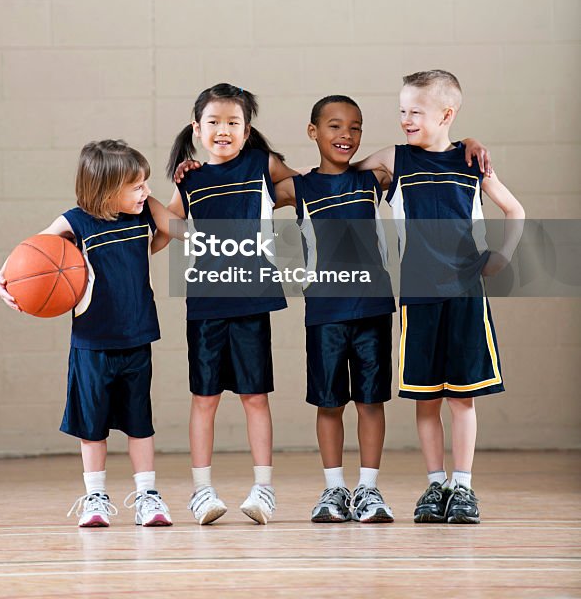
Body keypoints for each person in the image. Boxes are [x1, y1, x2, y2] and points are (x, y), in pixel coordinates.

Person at [356, 70, 525, 524]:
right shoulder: (395, 159)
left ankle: (463, 487)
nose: (406, 119)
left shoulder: (471, 162)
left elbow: (515, 209)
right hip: (418, 296)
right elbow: (346, 176)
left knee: (462, 398)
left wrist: (502, 257)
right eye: (402, 111)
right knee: (426, 398)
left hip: (466, 294)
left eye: (416, 111)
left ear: (447, 114)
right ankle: (435, 484)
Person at [0, 139, 174, 529]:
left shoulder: (142, 217)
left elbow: (173, 227)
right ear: (108, 190)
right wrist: (2, 276)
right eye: (137, 185)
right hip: (92, 344)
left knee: (140, 422)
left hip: (138, 339)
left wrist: (157, 190)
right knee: (92, 427)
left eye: (145, 183)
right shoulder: (76, 222)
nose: (146, 191)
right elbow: (30, 250)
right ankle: (95, 496)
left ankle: (148, 495)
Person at [167, 83, 297, 526]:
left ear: (246, 130)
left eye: (233, 122)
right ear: (196, 128)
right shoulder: (189, 180)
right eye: (213, 122)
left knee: (254, 396)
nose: (223, 130)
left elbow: (308, 188)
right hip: (205, 302)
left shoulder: (262, 166)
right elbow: (164, 225)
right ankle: (202, 492)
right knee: (204, 398)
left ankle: (264, 488)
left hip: (251, 299)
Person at [274, 95, 396, 524]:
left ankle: (368, 488)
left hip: (373, 307)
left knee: (370, 400)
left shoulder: (372, 181)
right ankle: (333, 489)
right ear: (313, 132)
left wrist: (469, 140)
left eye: (355, 128)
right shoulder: (298, 188)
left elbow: (409, 157)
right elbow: (249, 180)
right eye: (334, 126)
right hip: (324, 310)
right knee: (329, 404)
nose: (346, 135)